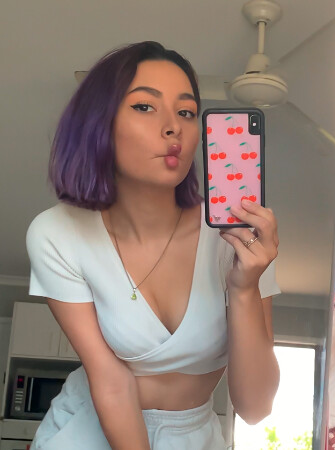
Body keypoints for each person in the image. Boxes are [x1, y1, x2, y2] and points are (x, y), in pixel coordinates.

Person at [26, 41, 281, 450]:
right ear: (99, 123)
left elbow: (255, 407)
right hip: (91, 427)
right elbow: (111, 381)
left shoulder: (238, 236)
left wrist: (246, 287)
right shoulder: (56, 233)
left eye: (186, 112)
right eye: (144, 106)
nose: (173, 127)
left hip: (195, 436)